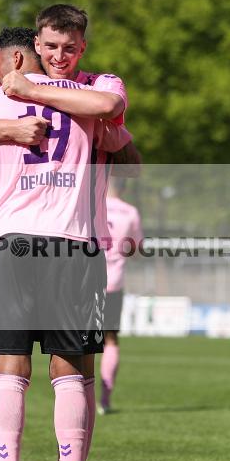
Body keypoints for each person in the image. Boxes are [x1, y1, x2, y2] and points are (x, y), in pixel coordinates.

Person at [0, 5, 138, 461]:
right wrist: (9, 130)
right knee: (30, 370)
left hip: (55, 243)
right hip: (55, 245)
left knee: (41, 371)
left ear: (82, 48)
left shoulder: (28, 91)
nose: (59, 56)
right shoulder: (28, 95)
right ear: (36, 42)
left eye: (69, 48)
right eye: (50, 47)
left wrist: (22, 88)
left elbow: (112, 108)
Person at [99, 177, 143, 414]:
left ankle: (75, 398)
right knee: (110, 340)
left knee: (77, 343)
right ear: (124, 188)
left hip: (83, 282)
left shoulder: (89, 205)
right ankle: (104, 400)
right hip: (113, 284)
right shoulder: (130, 212)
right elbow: (136, 248)